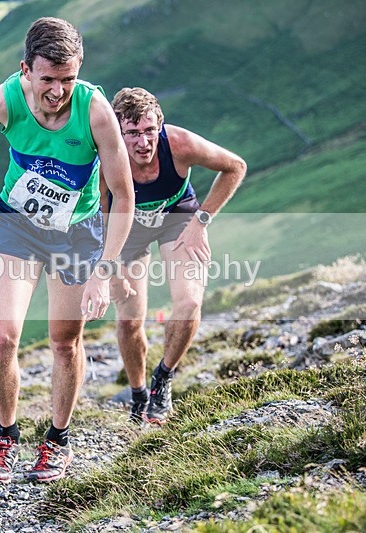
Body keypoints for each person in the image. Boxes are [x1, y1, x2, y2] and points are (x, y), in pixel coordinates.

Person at [0, 17, 133, 484]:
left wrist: (104, 269)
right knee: (1, 339)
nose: (59, 91)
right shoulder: (5, 99)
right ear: (26, 70)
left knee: (65, 342)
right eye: (48, 79)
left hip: (76, 235)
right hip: (16, 228)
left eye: (68, 79)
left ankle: (57, 441)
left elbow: (123, 195)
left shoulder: (95, 111)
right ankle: (5, 437)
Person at [102, 87, 246, 425]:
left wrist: (202, 220)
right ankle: (138, 394)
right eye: (132, 133)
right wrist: (110, 268)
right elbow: (101, 218)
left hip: (178, 219)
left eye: (150, 130)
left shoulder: (179, 144)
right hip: (126, 229)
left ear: (160, 127)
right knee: (129, 319)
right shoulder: (105, 158)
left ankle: (163, 379)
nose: (143, 142)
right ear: (118, 133)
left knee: (190, 303)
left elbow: (235, 166)